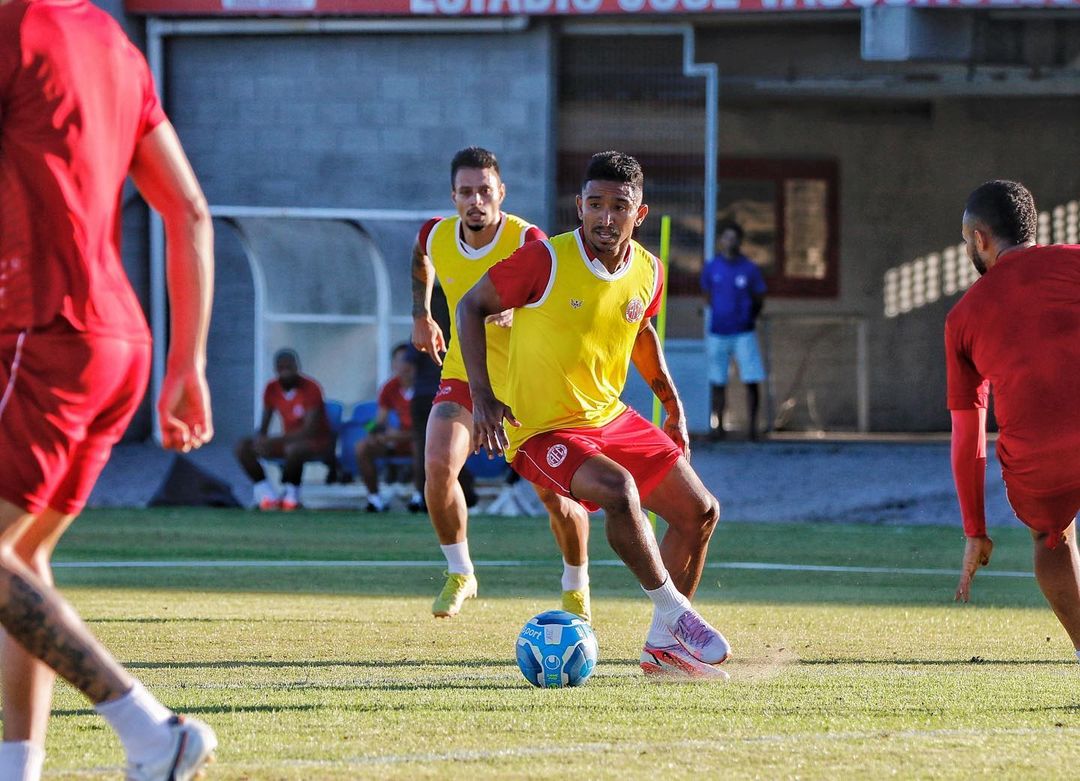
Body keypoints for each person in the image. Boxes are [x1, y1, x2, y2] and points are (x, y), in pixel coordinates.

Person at [0, 0, 217, 778]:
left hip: (42, 332)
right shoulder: (110, 39)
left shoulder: (13, 32)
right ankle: (16, 768)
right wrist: (188, 362)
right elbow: (189, 210)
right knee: (20, 563)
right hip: (117, 341)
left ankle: (151, 729)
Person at [459, 151, 730, 679]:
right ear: (578, 206)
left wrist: (671, 403)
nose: (605, 218)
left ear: (640, 213)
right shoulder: (546, 259)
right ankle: (678, 615)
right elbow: (472, 305)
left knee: (700, 511)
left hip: (610, 417)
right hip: (539, 428)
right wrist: (482, 395)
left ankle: (664, 650)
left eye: (619, 206)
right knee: (619, 489)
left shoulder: (649, 269)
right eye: (595, 205)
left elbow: (640, 329)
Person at [412, 146, 591, 621]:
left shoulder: (528, 240)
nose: (476, 200)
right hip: (466, 373)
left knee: (555, 496)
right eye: (466, 191)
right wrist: (422, 314)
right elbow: (420, 259)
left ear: (501, 193)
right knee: (437, 466)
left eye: (484, 191)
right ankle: (461, 572)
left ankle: (576, 583)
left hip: (527, 381)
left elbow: (562, 293)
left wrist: (525, 307)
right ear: (453, 196)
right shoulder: (436, 235)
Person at [947, 179, 1080, 662]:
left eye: (966, 240)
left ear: (980, 239)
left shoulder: (963, 316)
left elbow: (969, 437)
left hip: (1039, 455)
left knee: (1052, 539)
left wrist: (975, 529)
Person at [235, 348, 333, 511]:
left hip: (314, 442)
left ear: (297, 367)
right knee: (243, 447)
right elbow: (265, 423)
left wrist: (272, 441)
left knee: (294, 449)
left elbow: (309, 431)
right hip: (286, 440)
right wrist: (261, 439)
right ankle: (267, 495)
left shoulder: (312, 388)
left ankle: (291, 496)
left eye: (290, 367)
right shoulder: (271, 389)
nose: (286, 372)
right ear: (276, 369)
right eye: (281, 368)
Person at [700, 221, 767, 440]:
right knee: (717, 380)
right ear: (721, 240)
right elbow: (707, 294)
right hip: (718, 331)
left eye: (734, 238)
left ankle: (753, 429)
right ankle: (718, 427)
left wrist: (748, 318)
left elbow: (759, 297)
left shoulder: (749, 268)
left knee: (751, 378)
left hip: (744, 333)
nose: (730, 242)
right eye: (726, 237)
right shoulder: (712, 267)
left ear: (740, 241)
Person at [358, 344, 415, 512]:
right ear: (393, 365)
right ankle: (375, 499)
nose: (405, 365)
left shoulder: (426, 387)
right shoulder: (390, 387)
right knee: (362, 447)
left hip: (420, 439)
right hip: (397, 440)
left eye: (409, 360)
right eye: (400, 361)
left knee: (421, 445)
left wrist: (394, 436)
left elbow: (424, 429)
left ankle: (419, 498)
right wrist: (370, 429)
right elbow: (379, 419)